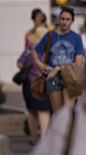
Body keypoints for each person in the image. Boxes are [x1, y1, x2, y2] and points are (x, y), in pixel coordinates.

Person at [32, 7, 84, 113]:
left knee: (68, 110)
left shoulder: (76, 38)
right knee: (58, 112)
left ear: (72, 21)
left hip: (70, 76)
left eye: (68, 19)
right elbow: (35, 52)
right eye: (62, 19)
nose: (64, 22)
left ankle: (68, 129)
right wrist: (40, 64)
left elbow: (78, 62)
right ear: (59, 19)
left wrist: (59, 68)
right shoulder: (50, 35)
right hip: (53, 77)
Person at [18, 9, 52, 144]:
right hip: (46, 81)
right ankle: (44, 138)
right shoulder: (51, 45)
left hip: (31, 80)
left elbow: (20, 63)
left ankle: (33, 137)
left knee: (32, 110)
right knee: (44, 110)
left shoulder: (30, 42)